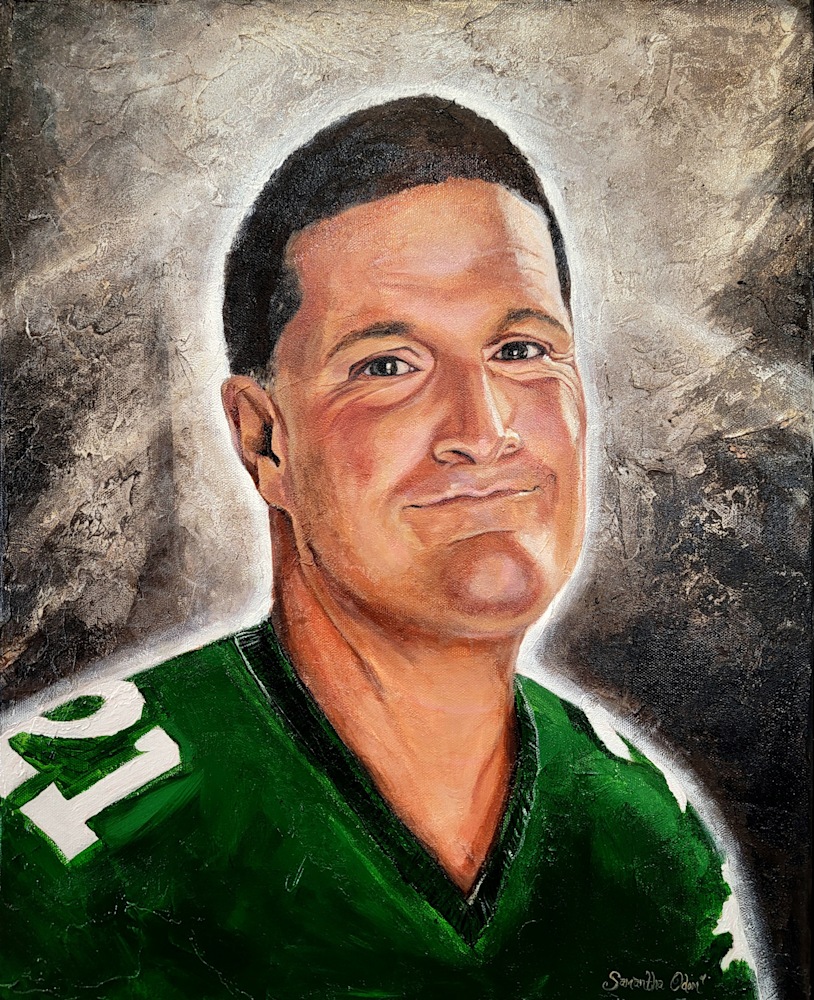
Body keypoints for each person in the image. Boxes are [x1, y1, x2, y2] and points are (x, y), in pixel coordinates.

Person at [0, 97, 759, 999]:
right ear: (264, 442)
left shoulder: (644, 836)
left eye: (521, 350)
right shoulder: (56, 848)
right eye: (388, 366)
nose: (483, 429)